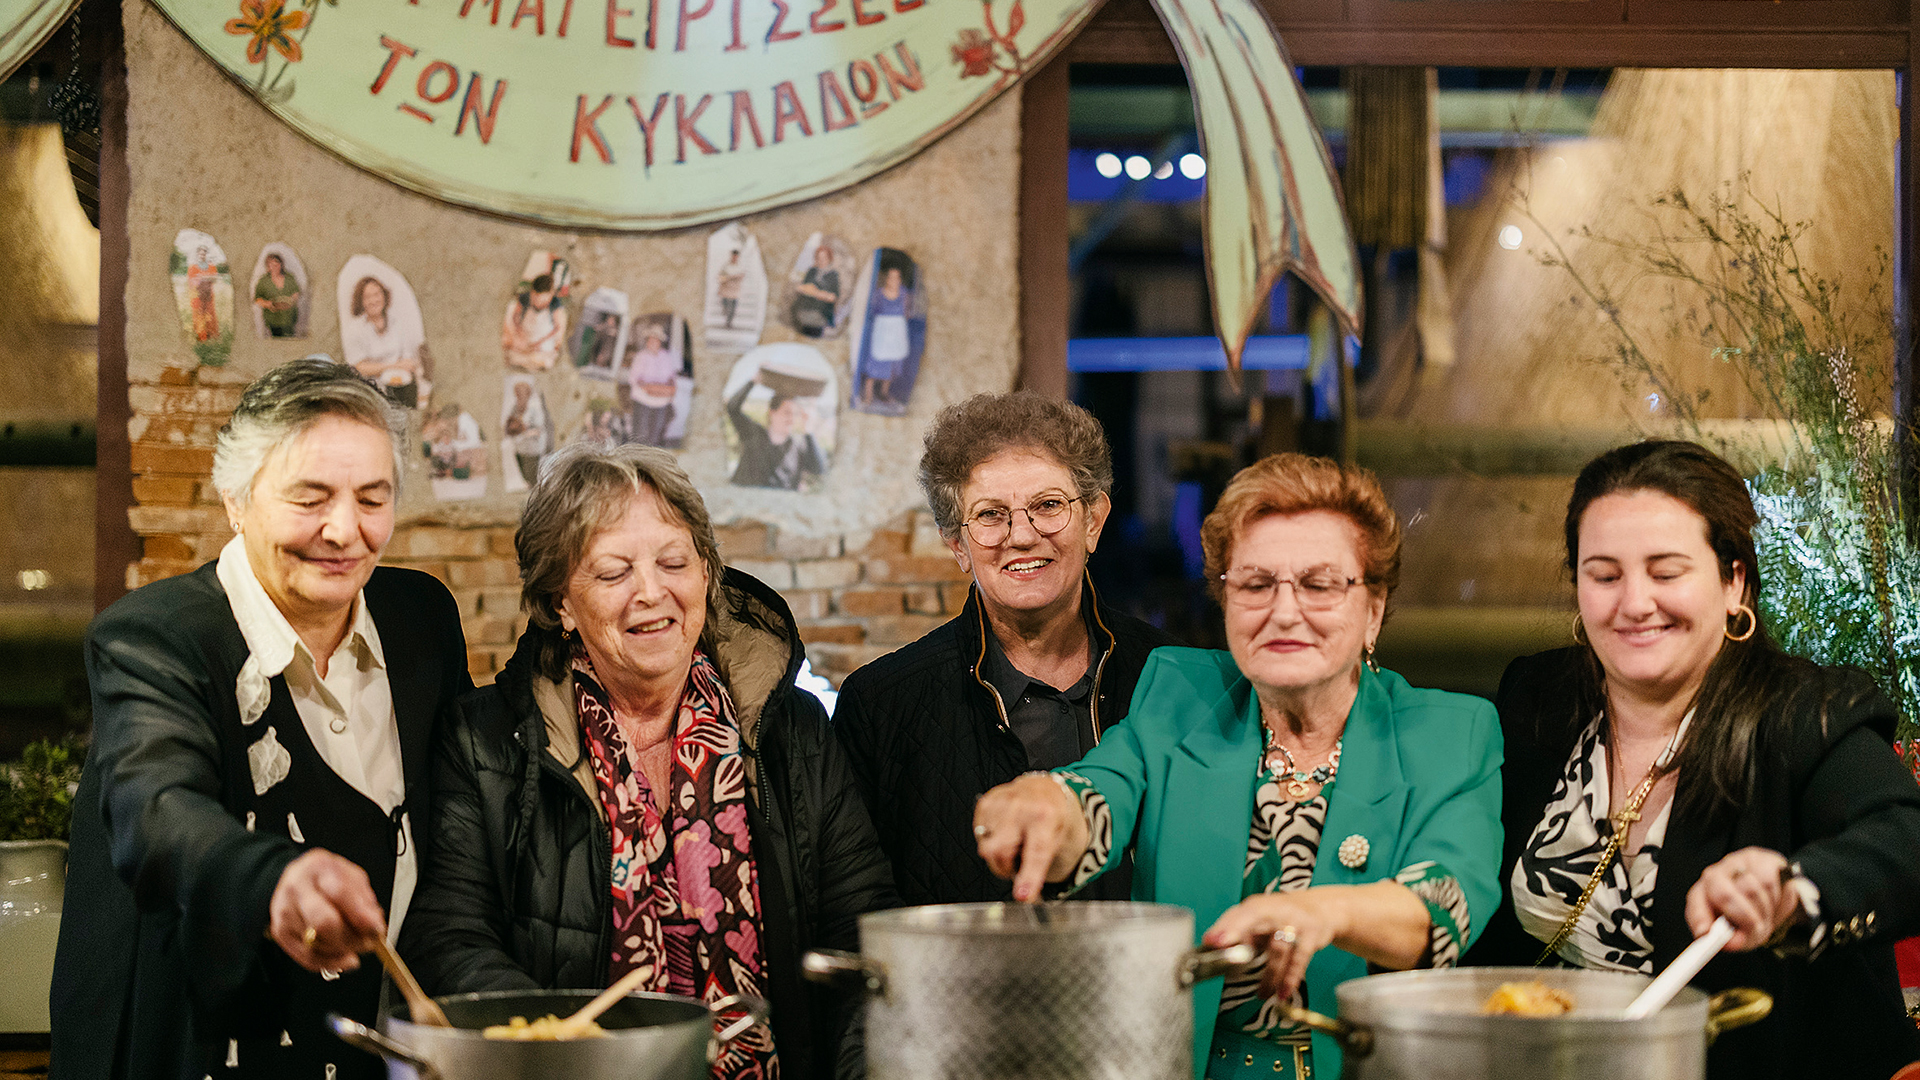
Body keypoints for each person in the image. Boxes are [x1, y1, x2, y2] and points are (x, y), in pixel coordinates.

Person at [972, 452, 1503, 1080]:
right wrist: (1047, 803)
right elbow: (1100, 793)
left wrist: (1322, 912)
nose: (1283, 611)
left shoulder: (1450, 733)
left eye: (1319, 584)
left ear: (1374, 610)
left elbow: (1442, 905)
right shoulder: (1179, 697)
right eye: (1254, 584)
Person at [399, 442, 896, 1080]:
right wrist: (567, 1058)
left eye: (673, 562)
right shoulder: (485, 739)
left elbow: (860, 934)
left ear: (707, 574)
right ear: (560, 603)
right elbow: (450, 938)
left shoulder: (791, 730)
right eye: (613, 573)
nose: (651, 592)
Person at [51, 358, 472, 1080]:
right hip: (193, 1043)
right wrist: (275, 882)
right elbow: (157, 807)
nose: (345, 531)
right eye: (311, 498)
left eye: (373, 498)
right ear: (236, 500)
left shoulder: (420, 621)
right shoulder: (157, 638)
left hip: (368, 1045)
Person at [1464, 440, 1920, 1080]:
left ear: (1733, 580)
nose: (1634, 603)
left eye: (1666, 571)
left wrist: (1791, 890)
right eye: (1604, 574)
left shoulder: (1800, 712)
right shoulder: (1538, 700)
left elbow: (1906, 840)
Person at [833, 391, 1181, 906]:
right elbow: (857, 905)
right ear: (957, 544)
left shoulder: (1171, 680)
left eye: (1047, 506)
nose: (1021, 535)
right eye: (991, 514)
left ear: (1093, 521)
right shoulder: (881, 704)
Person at [726, 375, 825, 490]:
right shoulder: (752, 432)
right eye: (787, 412)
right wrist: (753, 381)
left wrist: (808, 430)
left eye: (795, 414)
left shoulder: (798, 446)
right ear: (772, 412)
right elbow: (732, 408)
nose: (791, 418)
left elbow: (818, 469)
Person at [342, 276, 426, 408]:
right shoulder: (355, 330)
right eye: (368, 297)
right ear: (361, 301)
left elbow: (407, 357)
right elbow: (359, 367)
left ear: (384, 296)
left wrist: (406, 366)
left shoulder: (396, 323)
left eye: (377, 294)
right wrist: (394, 366)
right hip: (370, 392)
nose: (374, 300)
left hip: (400, 388)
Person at [856, 265, 911, 408]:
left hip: (897, 332)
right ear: (887, 279)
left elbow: (906, 312)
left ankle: (884, 393)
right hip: (882, 332)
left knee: (892, 364)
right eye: (891, 277)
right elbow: (873, 312)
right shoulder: (879, 294)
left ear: (900, 280)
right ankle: (867, 396)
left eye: (896, 277)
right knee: (875, 363)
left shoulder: (904, 293)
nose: (893, 280)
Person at [627, 321, 680, 446]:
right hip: (643, 399)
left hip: (661, 400)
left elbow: (671, 377)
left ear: (659, 342)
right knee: (640, 432)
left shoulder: (666, 356)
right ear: (647, 341)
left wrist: (669, 387)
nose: (652, 342)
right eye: (650, 340)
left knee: (656, 431)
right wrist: (645, 386)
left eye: (655, 340)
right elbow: (633, 378)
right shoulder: (641, 356)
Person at [502, 274, 568, 372]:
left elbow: (557, 327)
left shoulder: (555, 303)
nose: (538, 302)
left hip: (544, 340)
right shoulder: (524, 298)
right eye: (535, 297)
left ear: (550, 295)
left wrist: (540, 342)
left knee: (543, 361)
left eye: (543, 299)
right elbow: (515, 316)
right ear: (532, 292)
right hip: (525, 336)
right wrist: (519, 332)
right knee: (512, 355)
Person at [502, 377, 549, 486]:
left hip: (532, 449)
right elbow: (508, 425)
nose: (520, 395)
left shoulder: (533, 410)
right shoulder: (514, 408)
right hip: (519, 448)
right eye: (518, 393)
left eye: (522, 393)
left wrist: (525, 431)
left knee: (532, 477)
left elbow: (539, 428)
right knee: (524, 478)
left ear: (528, 394)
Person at [790, 244, 842, 337]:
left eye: (824, 258)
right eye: (818, 258)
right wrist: (807, 290)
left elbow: (833, 297)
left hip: (819, 316)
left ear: (829, 258)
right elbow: (802, 287)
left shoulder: (833, 275)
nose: (821, 260)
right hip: (803, 313)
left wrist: (815, 292)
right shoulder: (811, 271)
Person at [253, 253, 301, 338]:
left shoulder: (289, 278)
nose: (275, 266)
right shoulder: (263, 281)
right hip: (273, 320)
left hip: (289, 319)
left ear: (281, 265)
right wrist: (267, 304)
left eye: (277, 263)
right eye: (271, 264)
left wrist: (291, 300)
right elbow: (257, 299)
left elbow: (296, 292)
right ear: (268, 266)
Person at [187, 245, 220, 342]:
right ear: (197, 254)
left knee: (210, 314)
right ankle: (202, 337)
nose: (202, 255)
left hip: (208, 294)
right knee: (199, 315)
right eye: (200, 253)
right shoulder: (193, 267)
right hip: (197, 295)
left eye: (204, 253)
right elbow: (192, 280)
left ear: (206, 254)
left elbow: (215, 278)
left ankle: (211, 335)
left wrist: (202, 277)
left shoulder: (211, 266)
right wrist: (206, 277)